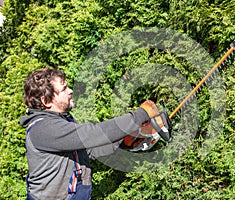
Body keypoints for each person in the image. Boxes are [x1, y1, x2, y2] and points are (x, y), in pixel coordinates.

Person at [20, 67, 160, 200]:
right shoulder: (44, 129)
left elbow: (88, 151)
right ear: (47, 101)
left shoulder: (61, 120)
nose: (70, 91)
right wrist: (139, 115)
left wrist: (123, 140)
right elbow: (91, 134)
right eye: (63, 89)